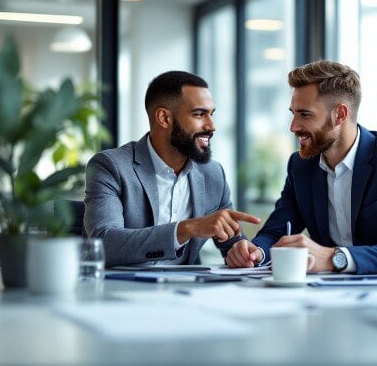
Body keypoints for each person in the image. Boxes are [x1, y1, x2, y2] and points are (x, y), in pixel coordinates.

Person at [225, 60, 377, 277]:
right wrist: (255, 252)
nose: (293, 126)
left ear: (340, 114)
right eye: (293, 113)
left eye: (305, 114)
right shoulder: (301, 166)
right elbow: (277, 231)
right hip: (340, 294)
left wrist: (334, 258)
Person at [84, 71, 260, 267]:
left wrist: (243, 250)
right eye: (199, 114)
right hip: (122, 291)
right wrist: (188, 228)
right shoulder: (111, 166)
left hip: (187, 291)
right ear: (164, 118)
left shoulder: (212, 174)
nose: (212, 126)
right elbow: (103, 243)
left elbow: (232, 241)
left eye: (211, 114)